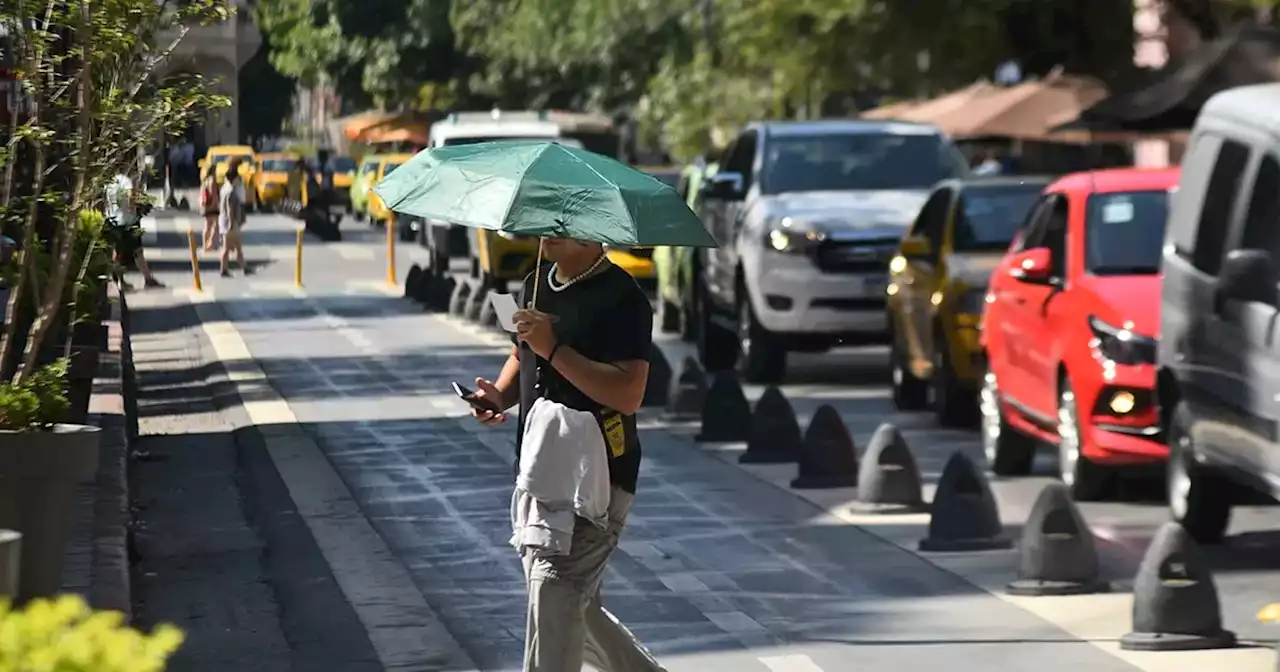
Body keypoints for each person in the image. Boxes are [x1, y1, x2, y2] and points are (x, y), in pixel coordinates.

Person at [470, 238, 666, 672]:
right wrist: (498, 396)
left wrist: (554, 349)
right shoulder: (535, 282)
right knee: (570, 605)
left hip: (597, 473)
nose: (548, 230)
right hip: (542, 465)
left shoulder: (622, 298)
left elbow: (628, 393)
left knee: (553, 592)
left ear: (595, 230)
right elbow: (521, 353)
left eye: (564, 218)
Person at [104, 171, 163, 290]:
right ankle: (126, 281)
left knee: (121, 251)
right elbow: (131, 197)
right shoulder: (126, 181)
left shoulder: (109, 182)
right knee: (135, 251)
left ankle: (143, 279)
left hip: (114, 220)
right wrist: (134, 209)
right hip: (128, 221)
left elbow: (107, 202)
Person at [218, 158, 250, 277]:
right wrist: (232, 222)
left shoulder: (224, 189)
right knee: (227, 247)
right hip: (230, 222)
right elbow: (230, 207)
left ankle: (245, 267)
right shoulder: (231, 191)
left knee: (237, 246)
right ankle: (224, 269)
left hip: (225, 220)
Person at [198, 171, 220, 251]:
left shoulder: (205, 181)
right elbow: (213, 194)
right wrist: (216, 204)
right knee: (216, 225)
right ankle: (211, 244)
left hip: (206, 206)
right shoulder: (212, 180)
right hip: (212, 206)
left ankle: (205, 245)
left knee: (207, 225)